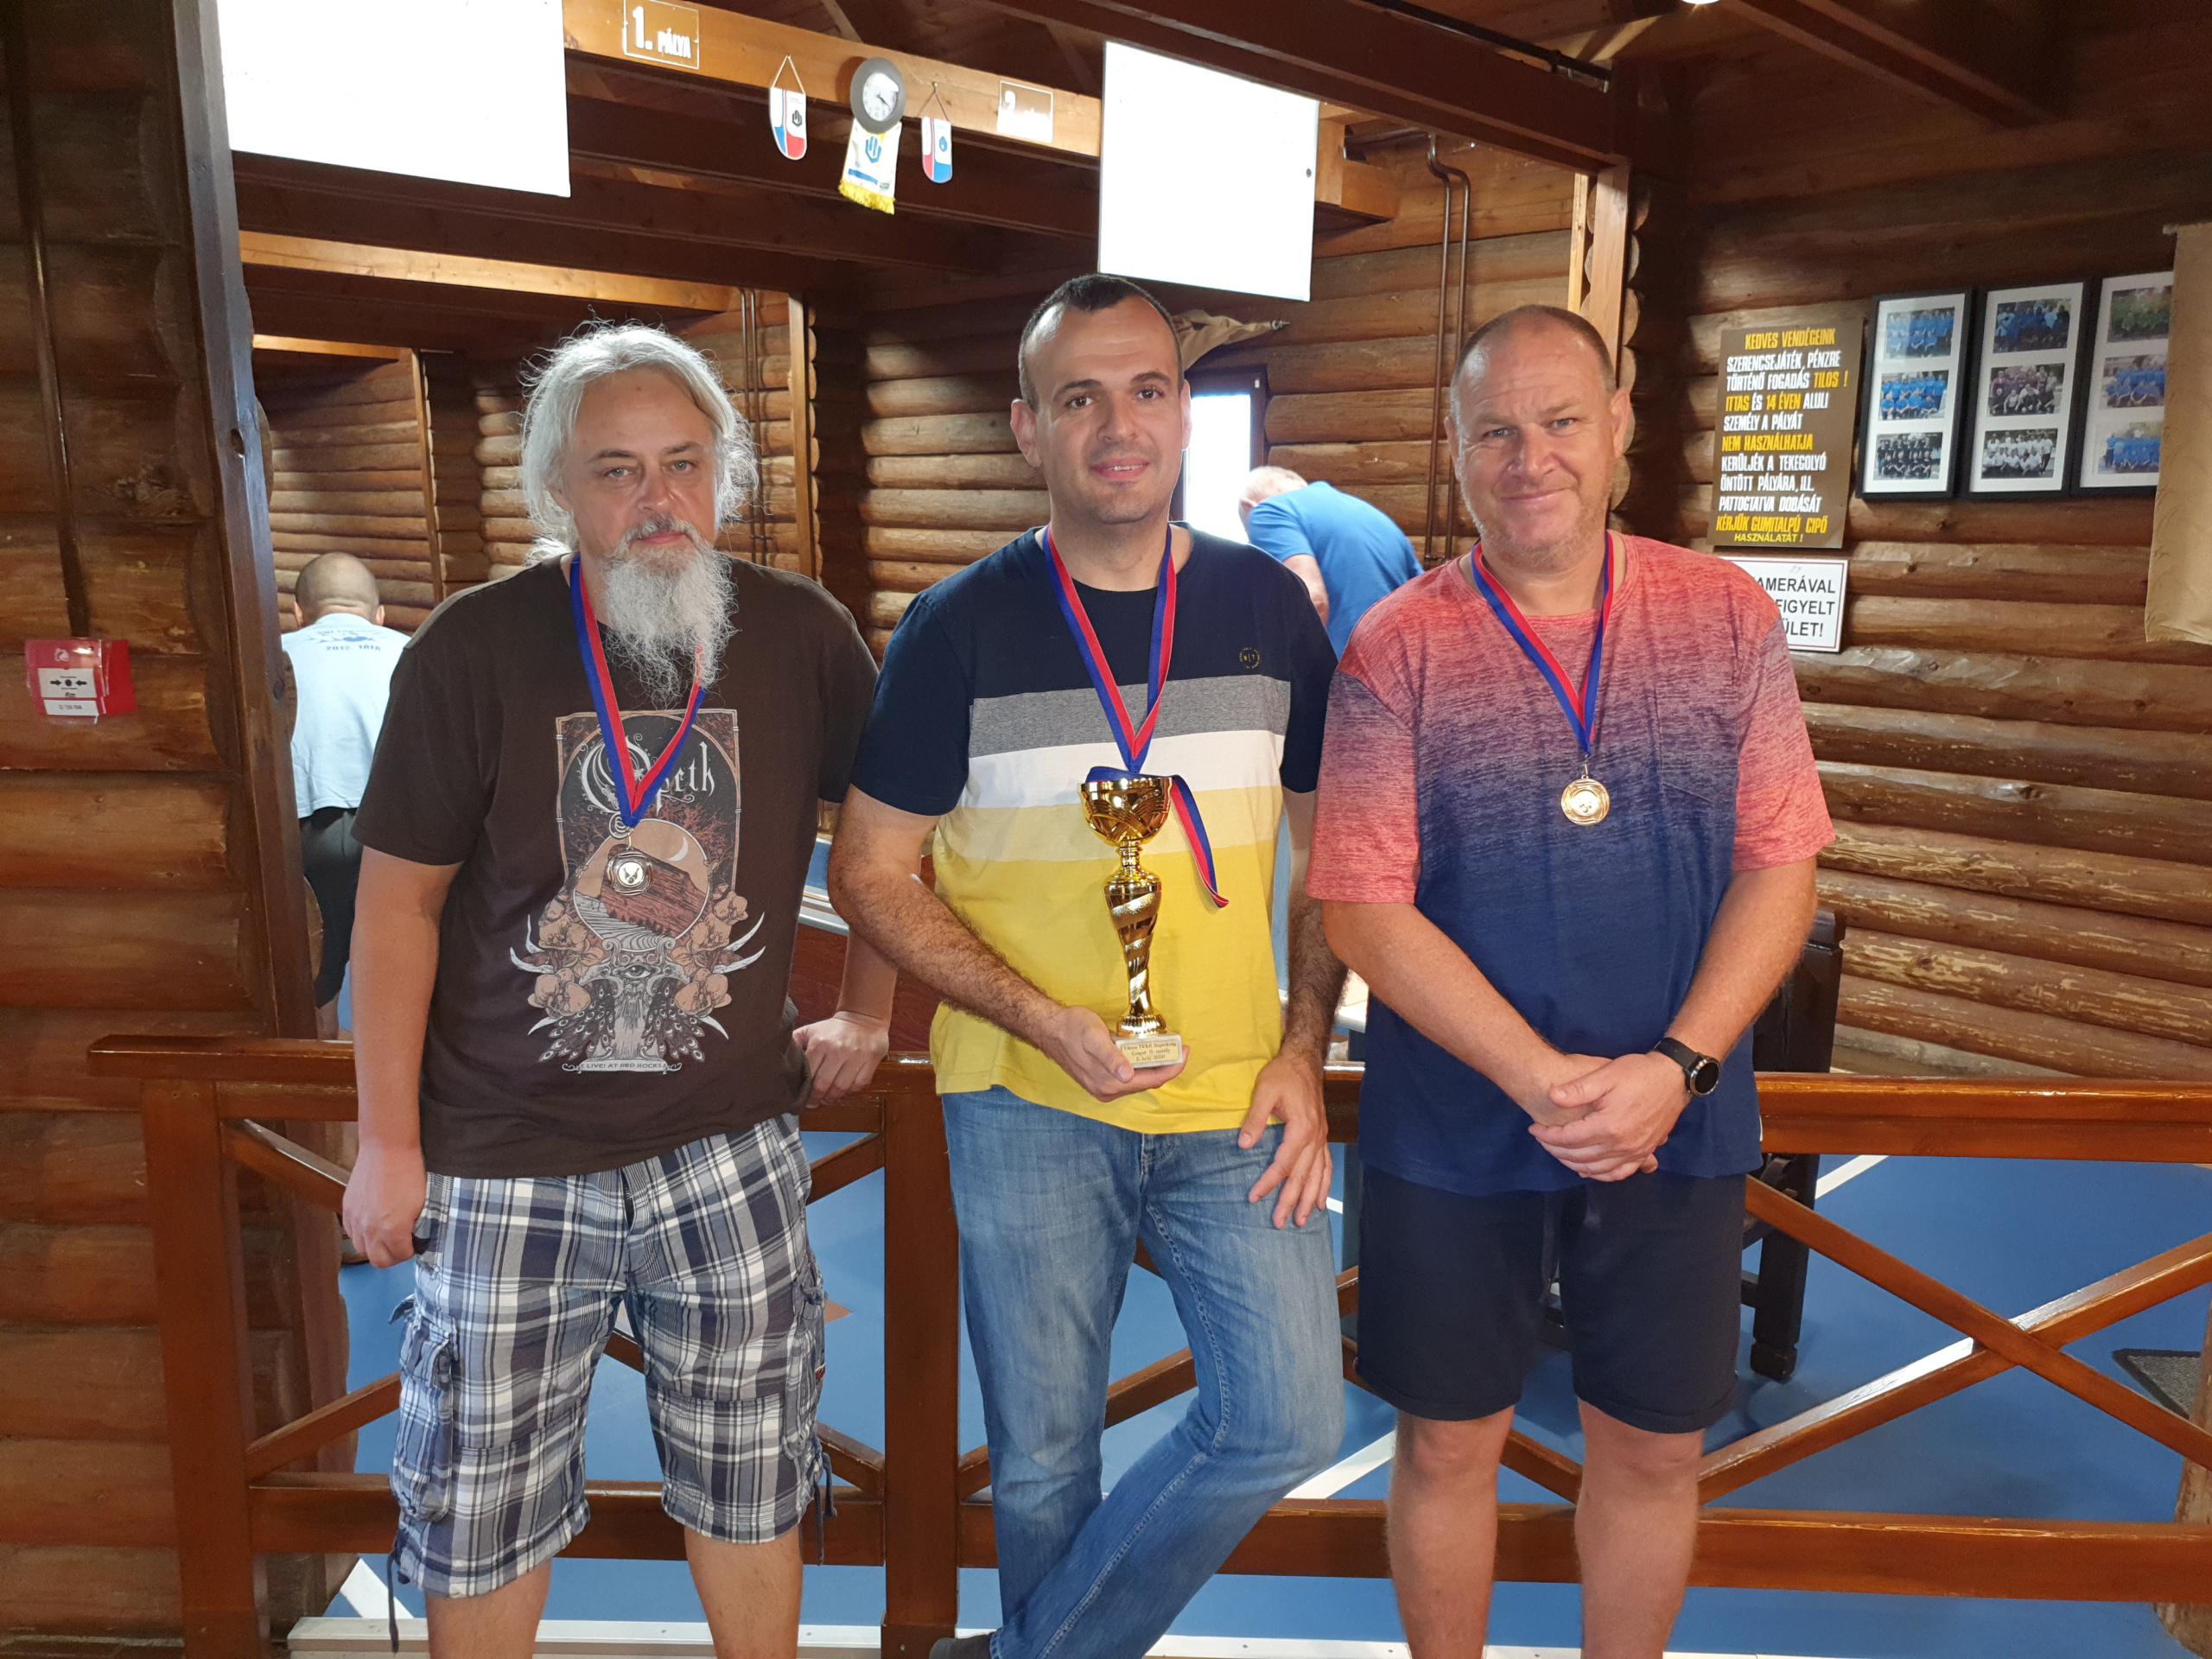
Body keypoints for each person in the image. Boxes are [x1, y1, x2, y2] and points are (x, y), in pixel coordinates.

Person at [340, 322, 896, 1659]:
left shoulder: (801, 634)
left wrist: (872, 1007)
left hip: (728, 1140)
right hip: (503, 1151)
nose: (658, 500)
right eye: (617, 469)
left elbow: (887, 841)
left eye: (684, 463)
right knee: (482, 1498)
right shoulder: (471, 650)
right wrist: (387, 1144)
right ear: (557, 489)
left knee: (754, 1469)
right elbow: (397, 907)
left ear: (724, 475)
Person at [828, 274, 1346, 1659]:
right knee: (1044, 1458)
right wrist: (1041, 1016)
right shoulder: (958, 626)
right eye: (1081, 398)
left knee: (1290, 1414)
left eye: (1149, 390)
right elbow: (868, 870)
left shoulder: (1271, 609)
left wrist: (1307, 1049)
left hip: (1239, 1091)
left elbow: (1332, 851)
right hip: (1024, 1094)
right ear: (1027, 427)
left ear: (1184, 413)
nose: (1121, 426)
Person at [1309, 305, 1832, 1659]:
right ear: (1456, 449)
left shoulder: (1726, 617)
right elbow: (1362, 906)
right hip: (1456, 1125)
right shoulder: (1394, 648)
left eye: (1558, 423)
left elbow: (1782, 869)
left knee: (1654, 1451)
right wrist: (1544, 1082)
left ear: (1617, 431)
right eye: (1495, 430)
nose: (1527, 457)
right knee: (1446, 1446)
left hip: (1678, 1122)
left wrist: (1676, 1068)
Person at [281, 551, 406, 1034]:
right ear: (379, 614)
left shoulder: (275, 653)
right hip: (406, 834)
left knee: (317, 979)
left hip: (307, 829)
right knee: (411, 969)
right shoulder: (412, 649)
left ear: (299, 613)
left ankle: (326, 1076)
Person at [1238, 467, 1422, 654]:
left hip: (1344, 664)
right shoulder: (1379, 519)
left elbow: (1313, 601)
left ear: (1249, 506)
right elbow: (1424, 601)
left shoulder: (1267, 512)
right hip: (1400, 661)